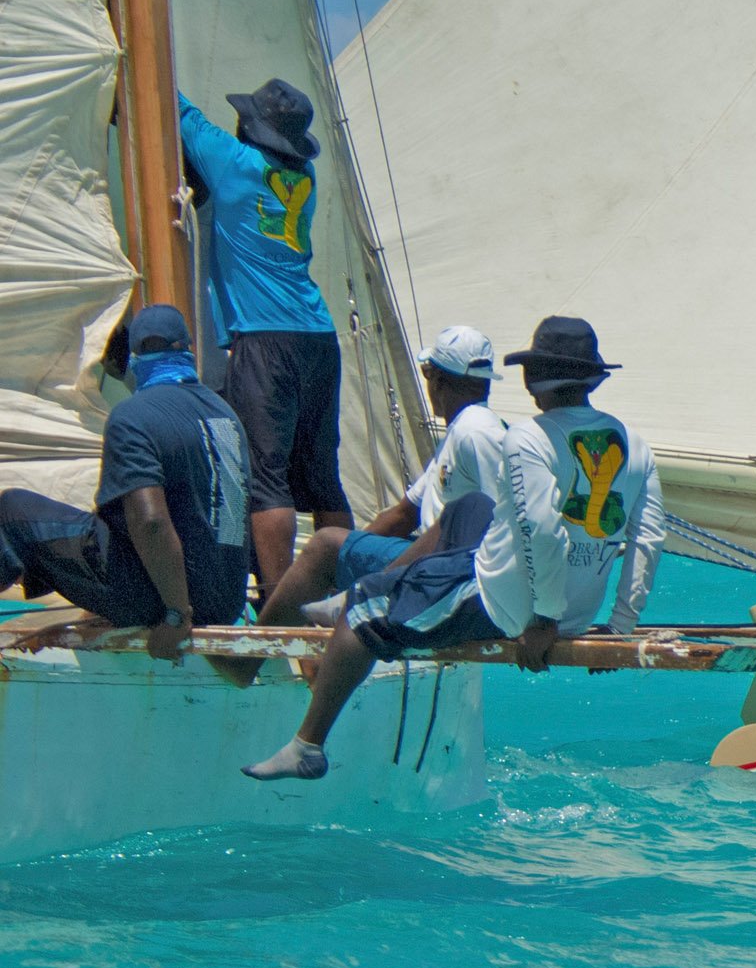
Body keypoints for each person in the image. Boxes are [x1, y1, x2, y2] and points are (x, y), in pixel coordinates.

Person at [244, 317, 663, 782]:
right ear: (591, 378)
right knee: (465, 510)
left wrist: (542, 621)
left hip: (507, 604)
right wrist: (620, 626)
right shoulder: (636, 446)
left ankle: (308, 746)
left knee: (364, 612)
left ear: (533, 379)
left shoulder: (529, 438)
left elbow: (544, 532)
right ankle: (359, 595)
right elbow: (647, 538)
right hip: (574, 608)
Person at [178, 80, 348, 602]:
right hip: (318, 336)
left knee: (266, 480)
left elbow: (173, 106)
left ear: (250, 128)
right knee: (323, 478)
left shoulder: (233, 163)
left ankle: (280, 605)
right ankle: (334, 596)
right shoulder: (306, 175)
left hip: (264, 339)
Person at [0, 306, 248, 659]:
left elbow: (150, 522)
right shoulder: (226, 416)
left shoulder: (133, 417)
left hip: (161, 604)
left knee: (11, 510)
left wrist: (177, 617)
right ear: (188, 350)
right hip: (223, 602)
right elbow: (234, 517)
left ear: (135, 358)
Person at [256, 326, 508, 627]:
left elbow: (502, 520)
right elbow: (403, 514)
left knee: (324, 545)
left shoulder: (475, 432)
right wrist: (351, 557)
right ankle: (342, 609)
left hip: (447, 570)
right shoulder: (463, 429)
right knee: (334, 550)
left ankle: (258, 654)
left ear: (436, 378)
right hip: (434, 560)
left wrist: (336, 557)